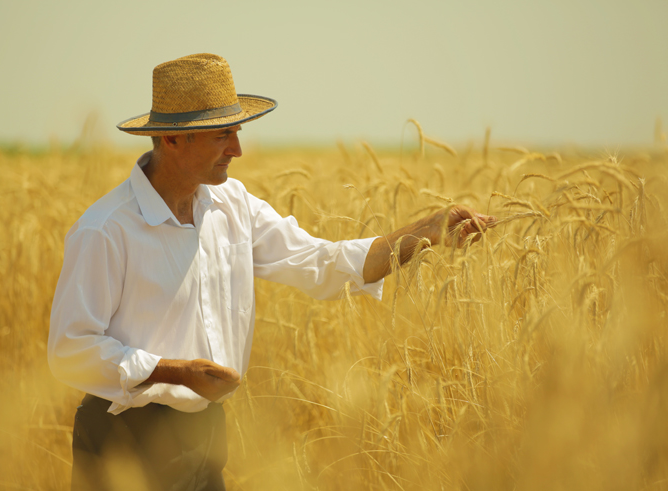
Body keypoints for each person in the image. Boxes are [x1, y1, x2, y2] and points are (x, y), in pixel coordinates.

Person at [48, 53, 496, 491]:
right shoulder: (105, 230)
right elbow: (70, 349)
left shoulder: (233, 205)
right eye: (223, 134)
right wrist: (174, 372)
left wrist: (426, 232)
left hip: (204, 436)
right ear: (172, 140)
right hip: (124, 444)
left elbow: (320, 263)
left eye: (237, 132)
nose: (237, 149)